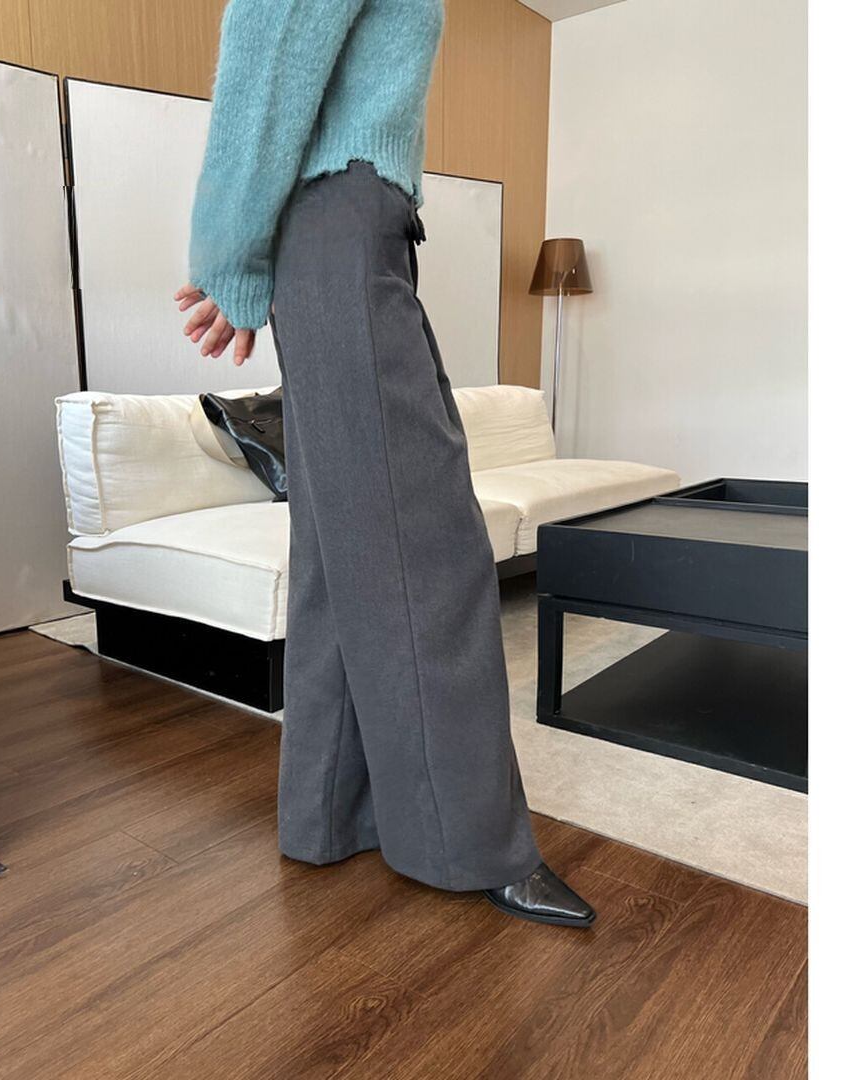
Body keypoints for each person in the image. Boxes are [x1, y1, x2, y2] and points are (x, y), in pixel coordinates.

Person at [174, 0, 595, 928]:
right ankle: (472, 845)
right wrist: (228, 261)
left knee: (341, 549)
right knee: (429, 548)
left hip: (350, 232)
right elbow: (270, 53)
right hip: (337, 228)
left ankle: (328, 813)